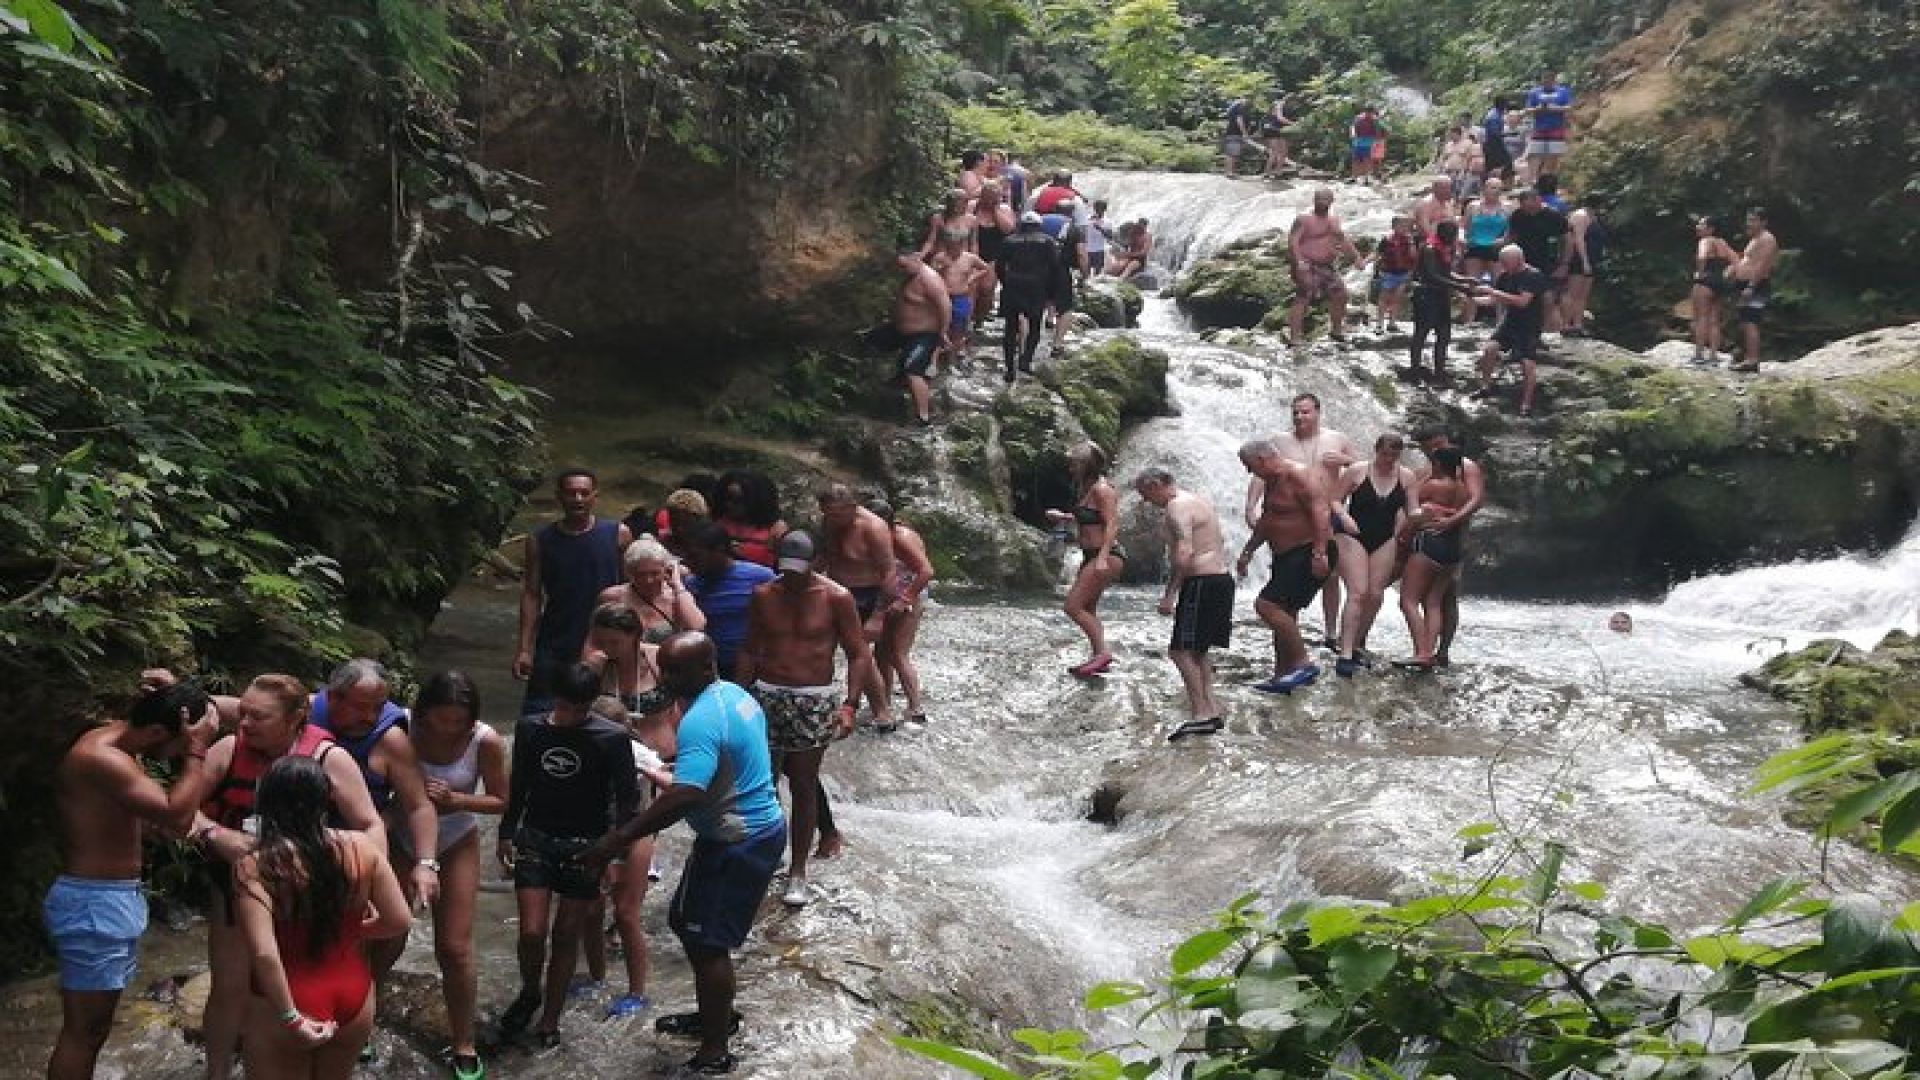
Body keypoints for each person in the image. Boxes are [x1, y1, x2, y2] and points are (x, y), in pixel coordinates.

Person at [581, 633, 787, 1077]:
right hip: (749, 827)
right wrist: (669, 771)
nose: (666, 678)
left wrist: (618, 840)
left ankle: (714, 1050)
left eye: (676, 671)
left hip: (738, 839)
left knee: (707, 942)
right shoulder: (734, 696)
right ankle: (713, 1015)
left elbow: (688, 795)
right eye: (665, 668)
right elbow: (727, 761)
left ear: (706, 665)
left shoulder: (701, 720)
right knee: (688, 925)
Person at [177, 673, 386, 1080]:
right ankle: (217, 1071)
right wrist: (215, 834)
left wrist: (369, 883)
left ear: (296, 718)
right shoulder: (228, 748)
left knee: (309, 972)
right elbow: (182, 809)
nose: (245, 723)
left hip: (310, 888)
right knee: (231, 983)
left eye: (259, 717)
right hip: (237, 880)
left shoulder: (329, 758)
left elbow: (369, 824)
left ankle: (314, 1035)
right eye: (244, 713)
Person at [45, 678, 217, 1080]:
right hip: (93, 902)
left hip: (108, 900)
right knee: (84, 1032)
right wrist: (197, 754)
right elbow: (176, 819)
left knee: (95, 1029)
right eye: (177, 744)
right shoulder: (102, 757)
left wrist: (176, 690)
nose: (176, 754)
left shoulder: (121, 744)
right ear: (158, 732)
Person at [232, 756, 412, 1080]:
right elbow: (399, 920)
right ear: (325, 796)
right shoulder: (362, 848)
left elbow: (264, 953)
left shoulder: (256, 866)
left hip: (286, 999)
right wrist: (352, 931)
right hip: (352, 993)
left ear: (266, 802)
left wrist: (292, 1018)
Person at [495, 662, 638, 1047]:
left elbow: (627, 801)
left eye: (580, 708)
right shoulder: (531, 729)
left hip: (585, 846)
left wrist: (615, 853)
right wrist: (506, 833)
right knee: (531, 932)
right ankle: (530, 991)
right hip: (536, 837)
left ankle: (550, 1021)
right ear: (555, 698)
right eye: (565, 705)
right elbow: (519, 783)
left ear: (591, 703)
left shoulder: (611, 738)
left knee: (566, 934)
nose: (571, 714)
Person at [739, 531, 875, 907]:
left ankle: (798, 869)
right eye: (786, 570)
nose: (793, 577)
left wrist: (849, 705)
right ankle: (761, 859)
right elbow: (750, 648)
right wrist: (735, 695)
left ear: (817, 562)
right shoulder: (765, 595)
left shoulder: (836, 597)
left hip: (813, 698)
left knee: (802, 782)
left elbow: (858, 653)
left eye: (800, 570)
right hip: (768, 692)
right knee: (761, 782)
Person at [307, 659, 439, 980]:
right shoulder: (302, 712)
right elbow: (242, 710)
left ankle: (368, 983)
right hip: (304, 837)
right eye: (361, 707)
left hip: (367, 837)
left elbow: (419, 805)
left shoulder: (390, 739)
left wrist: (426, 863)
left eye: (378, 707)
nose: (369, 716)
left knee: (392, 916)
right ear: (333, 697)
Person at [406, 671, 506, 1079]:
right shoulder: (402, 726)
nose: (448, 727)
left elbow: (502, 799)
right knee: (387, 933)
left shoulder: (486, 740)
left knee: (455, 947)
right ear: (424, 710)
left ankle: (464, 1041)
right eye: (440, 718)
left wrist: (457, 799)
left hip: (458, 838)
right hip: (401, 835)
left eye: (457, 721)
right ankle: (364, 1023)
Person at [515, 468, 632, 717]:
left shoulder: (617, 534)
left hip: (605, 638)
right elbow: (532, 594)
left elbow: (631, 589)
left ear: (594, 497)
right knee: (540, 710)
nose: (578, 499)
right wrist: (525, 648)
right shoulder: (540, 540)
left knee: (604, 711)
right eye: (571, 493)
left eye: (584, 493)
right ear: (559, 497)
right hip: (557, 635)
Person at [1244, 394, 1357, 645]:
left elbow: (1360, 470)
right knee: (1286, 565)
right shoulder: (1278, 442)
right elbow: (1261, 475)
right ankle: (1288, 630)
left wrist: (1345, 461)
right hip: (1290, 512)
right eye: (1295, 412)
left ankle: (1330, 632)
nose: (1299, 417)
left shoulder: (1336, 439)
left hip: (1327, 508)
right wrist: (1251, 506)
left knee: (1331, 573)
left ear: (1318, 412)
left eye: (1305, 412)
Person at [1133, 468, 1234, 740]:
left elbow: (1185, 552)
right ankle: (1212, 709)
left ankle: (1202, 713)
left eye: (1145, 494)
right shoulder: (1196, 500)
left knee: (1180, 651)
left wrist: (1170, 594)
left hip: (1200, 581)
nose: (1145, 501)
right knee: (1198, 650)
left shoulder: (1177, 507)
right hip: (1221, 579)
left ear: (1155, 485)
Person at [1236, 439, 1335, 695]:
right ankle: (1283, 673)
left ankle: (1303, 663)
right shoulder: (1272, 481)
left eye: (1249, 466)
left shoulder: (1299, 475)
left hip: (1308, 550)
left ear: (1262, 459)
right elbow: (1268, 520)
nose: (1249, 472)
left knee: (1266, 605)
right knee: (1285, 612)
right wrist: (1248, 551)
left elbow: (1321, 513)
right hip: (1286, 555)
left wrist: (1320, 553)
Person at [1329, 435, 1417, 677]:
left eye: (1394, 456)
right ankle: (1345, 653)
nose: (1388, 460)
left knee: (1376, 595)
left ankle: (1357, 643)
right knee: (1358, 592)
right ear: (1376, 451)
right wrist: (1343, 517)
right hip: (1352, 534)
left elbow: (1413, 509)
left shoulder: (1406, 477)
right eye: (1385, 454)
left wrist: (1423, 517)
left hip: (1385, 538)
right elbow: (1334, 499)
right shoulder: (1358, 471)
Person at [814, 484, 898, 730]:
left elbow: (890, 574)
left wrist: (878, 617)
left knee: (859, 653)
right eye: (827, 513)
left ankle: (882, 711)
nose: (832, 519)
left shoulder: (873, 527)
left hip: (867, 594)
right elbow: (826, 556)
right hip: (835, 590)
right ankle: (822, 702)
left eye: (838, 514)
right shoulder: (829, 522)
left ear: (852, 507)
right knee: (824, 646)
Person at [1045, 441, 1126, 679]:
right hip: (1092, 555)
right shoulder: (1088, 489)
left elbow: (1112, 523)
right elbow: (1091, 519)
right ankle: (1098, 656)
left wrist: (1101, 558)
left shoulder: (1102, 490)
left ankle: (1102, 653)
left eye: (1074, 464)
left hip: (1107, 554)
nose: (1070, 469)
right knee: (1088, 608)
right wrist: (1064, 517)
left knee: (1073, 606)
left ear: (1086, 465)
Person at [1411, 429, 1486, 666]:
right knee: (1429, 597)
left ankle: (1441, 650)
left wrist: (1452, 520)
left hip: (1453, 536)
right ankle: (1425, 649)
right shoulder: (1428, 470)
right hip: (1428, 535)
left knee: (1446, 595)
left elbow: (1476, 499)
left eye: (1435, 445)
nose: (1432, 451)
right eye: (1427, 448)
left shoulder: (1466, 466)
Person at [1399, 446, 1472, 668]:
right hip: (1452, 549)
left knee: (1408, 601)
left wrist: (1402, 538)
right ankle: (1429, 652)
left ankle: (1422, 652)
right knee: (1433, 602)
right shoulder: (1463, 489)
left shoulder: (1433, 485)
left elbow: (1413, 507)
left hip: (1429, 544)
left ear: (1439, 464)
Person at [866, 499, 934, 726]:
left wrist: (905, 600)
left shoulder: (900, 538)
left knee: (897, 653)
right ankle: (884, 705)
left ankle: (915, 707)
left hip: (909, 596)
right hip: (891, 595)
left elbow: (926, 571)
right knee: (881, 654)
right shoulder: (883, 536)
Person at [682, 523, 777, 682]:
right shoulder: (690, 585)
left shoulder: (760, 578)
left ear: (718, 551)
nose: (688, 562)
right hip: (710, 670)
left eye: (695, 556)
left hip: (755, 668)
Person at [1286, 188, 1362, 346]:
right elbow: (1293, 242)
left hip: (1327, 266)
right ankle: (1294, 337)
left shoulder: (1334, 221)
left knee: (1340, 294)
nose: (1323, 202)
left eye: (1326, 199)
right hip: (1307, 264)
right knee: (1303, 297)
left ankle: (1336, 330)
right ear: (1314, 200)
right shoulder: (1303, 219)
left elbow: (1342, 240)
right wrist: (1298, 261)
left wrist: (1356, 257)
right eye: (1320, 199)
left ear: (1332, 201)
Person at [1410, 220, 1478, 384]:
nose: (1454, 239)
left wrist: (1464, 279)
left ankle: (1439, 371)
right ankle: (1415, 370)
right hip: (1426, 295)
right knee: (1421, 333)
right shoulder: (1429, 249)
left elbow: (1446, 273)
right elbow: (1433, 275)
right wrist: (1461, 288)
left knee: (1444, 335)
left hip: (1441, 295)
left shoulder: (1446, 249)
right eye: (1453, 236)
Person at [994, 212, 1059, 384]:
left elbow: (999, 266)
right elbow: (1054, 267)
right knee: (1035, 324)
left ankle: (1009, 368)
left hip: (1013, 284)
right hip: (1036, 286)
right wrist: (1051, 293)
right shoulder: (1047, 241)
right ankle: (1026, 360)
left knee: (1010, 328)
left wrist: (1005, 282)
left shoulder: (1009, 241)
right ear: (1039, 225)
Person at [891, 247, 951, 426]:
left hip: (925, 334)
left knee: (913, 371)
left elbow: (945, 306)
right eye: (899, 267)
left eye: (904, 266)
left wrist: (943, 333)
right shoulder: (909, 277)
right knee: (869, 339)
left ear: (916, 259)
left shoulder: (929, 279)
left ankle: (923, 416)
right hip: (904, 331)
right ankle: (899, 378)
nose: (902, 270)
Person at [1502, 188, 1569, 333]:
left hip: (1548, 261)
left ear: (1538, 200)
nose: (1529, 211)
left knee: (1547, 297)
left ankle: (1541, 331)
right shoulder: (1518, 215)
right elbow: (1511, 236)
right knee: (1519, 296)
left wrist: (1564, 263)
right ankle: (1514, 328)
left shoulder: (1554, 216)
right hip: (1523, 261)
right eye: (1526, 208)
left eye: (1531, 208)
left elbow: (1567, 240)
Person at [1729, 206, 1779, 372]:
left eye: (1753, 220)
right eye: (1748, 219)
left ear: (1763, 222)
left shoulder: (1767, 239)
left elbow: (1763, 265)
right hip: (1744, 284)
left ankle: (1752, 359)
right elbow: (1748, 259)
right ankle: (1744, 355)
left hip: (1756, 285)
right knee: (1743, 321)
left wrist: (1751, 285)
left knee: (1751, 321)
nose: (1748, 223)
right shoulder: (1754, 239)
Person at [931, 226, 991, 363]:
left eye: (957, 246)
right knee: (939, 325)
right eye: (950, 246)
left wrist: (972, 279)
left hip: (961, 296)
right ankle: (938, 352)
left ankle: (955, 351)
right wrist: (941, 268)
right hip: (942, 296)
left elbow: (985, 268)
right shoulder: (940, 257)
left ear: (962, 245)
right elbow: (930, 274)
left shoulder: (970, 258)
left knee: (959, 326)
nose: (954, 249)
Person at [710, 470, 788, 570]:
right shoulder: (717, 521)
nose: (729, 504)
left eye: (738, 500)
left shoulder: (775, 529)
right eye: (727, 498)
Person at [1690, 215, 1741, 365]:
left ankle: (1699, 354)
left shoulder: (1705, 241)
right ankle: (1713, 356)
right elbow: (1737, 261)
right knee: (1714, 321)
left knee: (1701, 318)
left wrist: (1699, 273)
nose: (1698, 227)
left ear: (1711, 229)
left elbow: (1702, 256)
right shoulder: (1723, 243)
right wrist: (1727, 274)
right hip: (1720, 281)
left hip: (1705, 281)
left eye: (1701, 225)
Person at [1041, 198, 1087, 348]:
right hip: (1061, 269)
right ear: (1072, 213)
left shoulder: (1040, 221)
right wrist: (1084, 274)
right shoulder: (1074, 228)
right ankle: (1057, 344)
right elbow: (1081, 254)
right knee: (1066, 308)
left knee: (1036, 303)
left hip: (1037, 269)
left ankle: (1047, 319)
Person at [1461, 178, 1509, 317]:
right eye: (1492, 187)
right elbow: (1464, 226)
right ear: (1484, 188)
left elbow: (1511, 230)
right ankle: (1469, 319)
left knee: (1499, 285)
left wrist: (1504, 240)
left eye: (1498, 188)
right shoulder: (1473, 206)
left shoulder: (1507, 207)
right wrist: (1463, 240)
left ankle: (1501, 319)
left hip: (1496, 247)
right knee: (1472, 284)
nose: (1495, 191)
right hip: (1475, 246)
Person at [972, 182, 1016, 320]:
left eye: (994, 197)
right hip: (974, 250)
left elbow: (1008, 229)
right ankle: (969, 319)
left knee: (987, 287)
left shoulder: (1004, 209)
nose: (990, 200)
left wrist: (994, 210)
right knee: (972, 287)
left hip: (994, 254)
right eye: (988, 197)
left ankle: (980, 316)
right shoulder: (972, 207)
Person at [1562, 197, 1604, 336]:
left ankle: (1578, 324)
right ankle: (1566, 324)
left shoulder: (1594, 217)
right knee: (1573, 292)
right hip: (1579, 258)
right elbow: (1579, 239)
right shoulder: (1580, 216)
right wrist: (1584, 260)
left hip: (1593, 258)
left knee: (1583, 294)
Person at [1373, 215, 1418, 332]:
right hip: (1388, 273)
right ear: (1394, 227)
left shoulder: (1409, 240)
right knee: (1384, 297)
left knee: (1397, 298)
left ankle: (1392, 322)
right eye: (1401, 225)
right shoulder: (1387, 239)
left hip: (1403, 273)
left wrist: (1412, 272)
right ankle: (1380, 323)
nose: (1404, 228)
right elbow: (1377, 253)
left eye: (1406, 226)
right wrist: (1369, 263)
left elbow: (1414, 257)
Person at [1525, 73, 1573, 181]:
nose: (1546, 83)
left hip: (1556, 129)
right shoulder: (1534, 92)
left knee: (1553, 157)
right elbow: (1527, 109)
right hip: (1539, 129)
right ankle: (1534, 180)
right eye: (1544, 80)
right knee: (1535, 156)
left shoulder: (1562, 91)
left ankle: (1551, 181)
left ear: (1553, 80)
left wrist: (1555, 108)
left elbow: (1569, 107)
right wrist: (1538, 108)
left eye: (1549, 80)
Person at [919, 189, 976, 259]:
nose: (960, 205)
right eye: (956, 202)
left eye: (963, 202)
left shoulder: (972, 220)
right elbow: (930, 241)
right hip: (942, 258)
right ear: (949, 203)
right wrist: (921, 255)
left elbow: (974, 244)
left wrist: (974, 261)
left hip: (963, 259)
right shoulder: (938, 218)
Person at [1481, 97, 1514, 183]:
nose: (1507, 106)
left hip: (1492, 144)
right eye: (1506, 104)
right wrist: (1509, 134)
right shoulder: (1494, 117)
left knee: (1491, 166)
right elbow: (1494, 134)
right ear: (1501, 105)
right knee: (1507, 162)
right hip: (1493, 145)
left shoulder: (1496, 114)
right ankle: (1504, 183)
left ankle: (1490, 183)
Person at [1259, 97, 1294, 178]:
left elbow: (1281, 120)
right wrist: (1293, 124)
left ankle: (1278, 172)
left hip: (1279, 132)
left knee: (1284, 152)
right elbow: (1280, 119)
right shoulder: (1276, 108)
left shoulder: (1281, 111)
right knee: (1275, 153)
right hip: (1271, 133)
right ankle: (1267, 172)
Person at [1350, 105, 1386, 183]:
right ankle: (1354, 177)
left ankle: (1366, 178)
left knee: (1367, 159)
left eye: (1370, 112)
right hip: (1358, 141)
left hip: (1369, 141)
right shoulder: (1358, 118)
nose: (1369, 114)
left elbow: (1379, 130)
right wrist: (1353, 134)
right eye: (1368, 112)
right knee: (1356, 159)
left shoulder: (1375, 120)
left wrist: (1378, 140)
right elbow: (1353, 126)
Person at [1436, 125, 1476, 193]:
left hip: (1461, 172)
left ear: (1457, 133)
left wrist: (1464, 171)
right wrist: (1440, 168)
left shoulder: (1468, 143)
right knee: (1446, 191)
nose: (1450, 136)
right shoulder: (1448, 144)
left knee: (1458, 191)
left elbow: (1469, 158)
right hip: (1448, 172)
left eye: (1452, 134)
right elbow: (1442, 157)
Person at [1222, 96, 1252, 177]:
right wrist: (1244, 133)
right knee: (1231, 153)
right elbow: (1239, 120)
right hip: (1234, 133)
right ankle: (1229, 172)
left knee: (1233, 153)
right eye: (1247, 99)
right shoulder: (1239, 107)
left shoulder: (1235, 107)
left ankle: (1230, 171)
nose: (1248, 101)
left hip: (1234, 133)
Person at [1084, 199, 1112, 276]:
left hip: (1099, 250)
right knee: (1085, 271)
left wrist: (1100, 229)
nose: (1098, 210)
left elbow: (1110, 237)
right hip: (1087, 249)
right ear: (1094, 208)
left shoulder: (1107, 221)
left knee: (1098, 273)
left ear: (1104, 209)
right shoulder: (1087, 218)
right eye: (1096, 208)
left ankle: (1095, 285)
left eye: (1101, 209)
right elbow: (1082, 232)